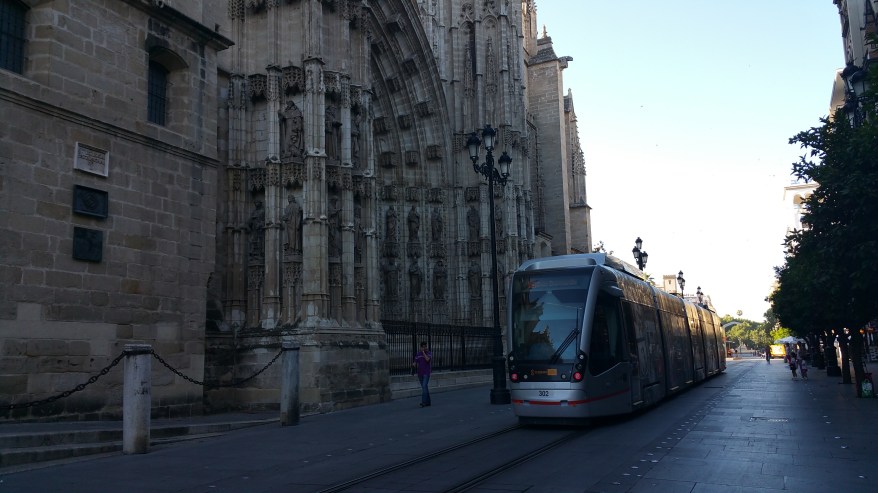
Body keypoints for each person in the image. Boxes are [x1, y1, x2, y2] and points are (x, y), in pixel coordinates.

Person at [412, 341, 432, 407]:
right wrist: (414, 365)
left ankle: (424, 402)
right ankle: (428, 402)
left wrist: (423, 352)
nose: (425, 348)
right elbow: (415, 361)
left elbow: (427, 360)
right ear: (421, 347)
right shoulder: (418, 354)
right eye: (423, 347)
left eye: (425, 346)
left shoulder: (429, 353)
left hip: (426, 373)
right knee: (424, 387)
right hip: (420, 373)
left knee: (424, 386)